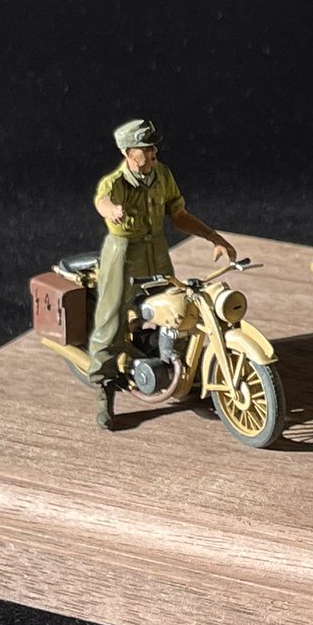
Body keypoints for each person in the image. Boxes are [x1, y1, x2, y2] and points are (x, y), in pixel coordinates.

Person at [87, 119, 236, 430]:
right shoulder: (115, 182)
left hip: (156, 252)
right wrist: (112, 211)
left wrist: (214, 237)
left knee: (178, 309)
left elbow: (178, 214)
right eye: (146, 147)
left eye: (153, 146)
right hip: (123, 255)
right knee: (111, 319)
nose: (153, 151)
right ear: (129, 153)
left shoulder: (163, 175)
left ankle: (176, 369)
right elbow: (102, 201)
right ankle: (104, 385)